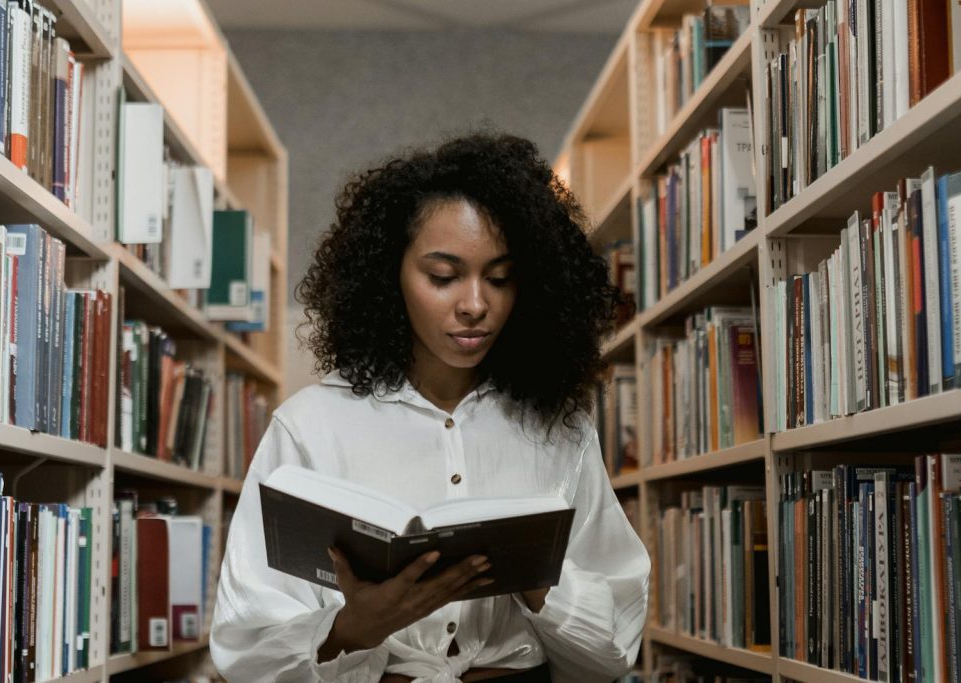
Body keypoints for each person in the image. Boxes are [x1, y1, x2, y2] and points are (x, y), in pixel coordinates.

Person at [210, 132, 650, 682]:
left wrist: (534, 576)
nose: (475, 305)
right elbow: (247, 650)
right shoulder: (309, 426)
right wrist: (354, 629)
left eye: (500, 278)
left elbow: (612, 653)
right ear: (388, 275)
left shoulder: (560, 429)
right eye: (442, 277)